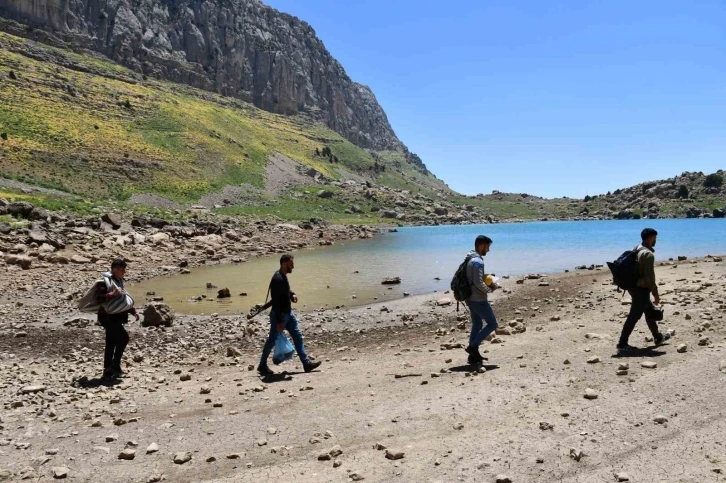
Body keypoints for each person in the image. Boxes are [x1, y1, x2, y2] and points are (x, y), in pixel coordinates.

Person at [257, 254, 322, 375]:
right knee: (272, 340)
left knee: (297, 336)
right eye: (291, 264)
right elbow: (276, 301)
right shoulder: (278, 279)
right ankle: (262, 365)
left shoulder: (282, 276)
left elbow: (285, 291)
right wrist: (279, 321)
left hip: (288, 314)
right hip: (281, 315)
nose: (293, 266)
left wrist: (292, 294)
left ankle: (306, 363)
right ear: (284, 264)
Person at [616, 228, 670, 354]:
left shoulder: (636, 248)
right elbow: (650, 278)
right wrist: (656, 295)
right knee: (634, 316)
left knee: (649, 311)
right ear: (651, 238)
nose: (656, 240)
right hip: (641, 289)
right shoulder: (648, 254)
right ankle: (622, 344)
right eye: (655, 238)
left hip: (633, 287)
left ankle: (657, 337)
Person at [97, 258, 139, 379]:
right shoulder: (104, 281)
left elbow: (122, 298)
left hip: (116, 316)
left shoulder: (119, 280)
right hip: (107, 317)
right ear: (115, 269)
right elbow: (98, 298)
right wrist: (111, 294)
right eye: (122, 270)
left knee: (111, 342)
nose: (124, 272)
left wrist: (133, 311)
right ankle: (115, 365)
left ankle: (108, 370)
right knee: (123, 338)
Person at [464, 235, 499, 364]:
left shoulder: (470, 258)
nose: (488, 250)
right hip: (478, 299)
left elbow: (474, 280)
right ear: (481, 245)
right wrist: (491, 288)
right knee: (493, 324)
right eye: (487, 246)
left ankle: (473, 356)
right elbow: (478, 283)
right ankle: (473, 347)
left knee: (478, 324)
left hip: (470, 298)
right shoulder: (477, 262)